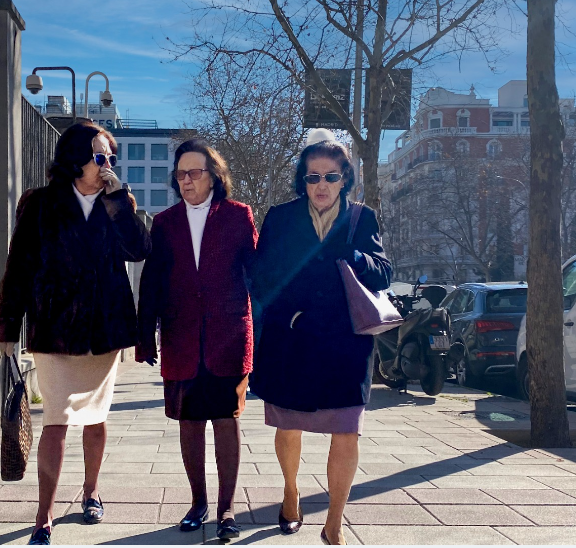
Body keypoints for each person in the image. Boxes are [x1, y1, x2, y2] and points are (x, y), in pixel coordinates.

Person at [0, 120, 151, 545]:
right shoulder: (40, 203)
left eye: (111, 158)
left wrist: (119, 201)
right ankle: (43, 513)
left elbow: (139, 250)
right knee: (57, 422)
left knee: (96, 420)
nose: (107, 165)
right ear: (75, 159)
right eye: (101, 157)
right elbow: (19, 267)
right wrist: (8, 324)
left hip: (103, 329)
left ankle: (91, 491)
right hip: (55, 329)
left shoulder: (118, 202)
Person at [249, 135, 391, 545]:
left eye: (331, 176)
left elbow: (382, 273)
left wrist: (358, 257)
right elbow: (262, 277)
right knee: (289, 425)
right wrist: (288, 315)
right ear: (303, 179)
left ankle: (334, 519)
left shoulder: (362, 219)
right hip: (294, 342)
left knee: (347, 430)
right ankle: (291, 491)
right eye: (313, 176)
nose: (322, 184)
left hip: (346, 345)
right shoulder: (281, 217)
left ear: (344, 178)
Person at [136, 139, 257, 541]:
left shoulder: (239, 216)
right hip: (180, 338)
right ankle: (198, 502)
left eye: (195, 172)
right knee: (189, 423)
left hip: (228, 336)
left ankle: (226, 508)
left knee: (226, 421)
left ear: (213, 176)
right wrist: (143, 336)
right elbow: (151, 283)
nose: (186, 180)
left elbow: (257, 275)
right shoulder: (165, 222)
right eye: (180, 174)